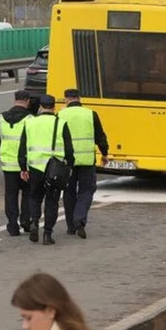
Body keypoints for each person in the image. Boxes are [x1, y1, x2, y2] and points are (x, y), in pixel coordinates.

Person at [18, 95, 74, 245]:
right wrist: (70, 166)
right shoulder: (61, 123)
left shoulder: (30, 123)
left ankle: (35, 222)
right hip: (54, 169)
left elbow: (22, 147)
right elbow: (69, 149)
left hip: (35, 167)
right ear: (54, 107)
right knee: (52, 201)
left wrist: (23, 167)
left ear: (41, 107)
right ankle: (47, 234)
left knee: (35, 197)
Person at [58, 88, 109, 239]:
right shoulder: (90, 114)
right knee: (87, 190)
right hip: (87, 160)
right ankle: (79, 218)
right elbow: (100, 136)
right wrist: (104, 153)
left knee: (69, 192)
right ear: (79, 98)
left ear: (66, 99)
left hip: (67, 162)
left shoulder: (60, 115)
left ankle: (71, 227)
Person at [0, 90, 35, 236]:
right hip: (26, 165)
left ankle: (12, 225)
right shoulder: (30, 120)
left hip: (8, 164)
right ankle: (26, 220)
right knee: (28, 193)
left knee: (10, 194)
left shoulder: (0, 118)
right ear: (27, 101)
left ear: (15, 100)